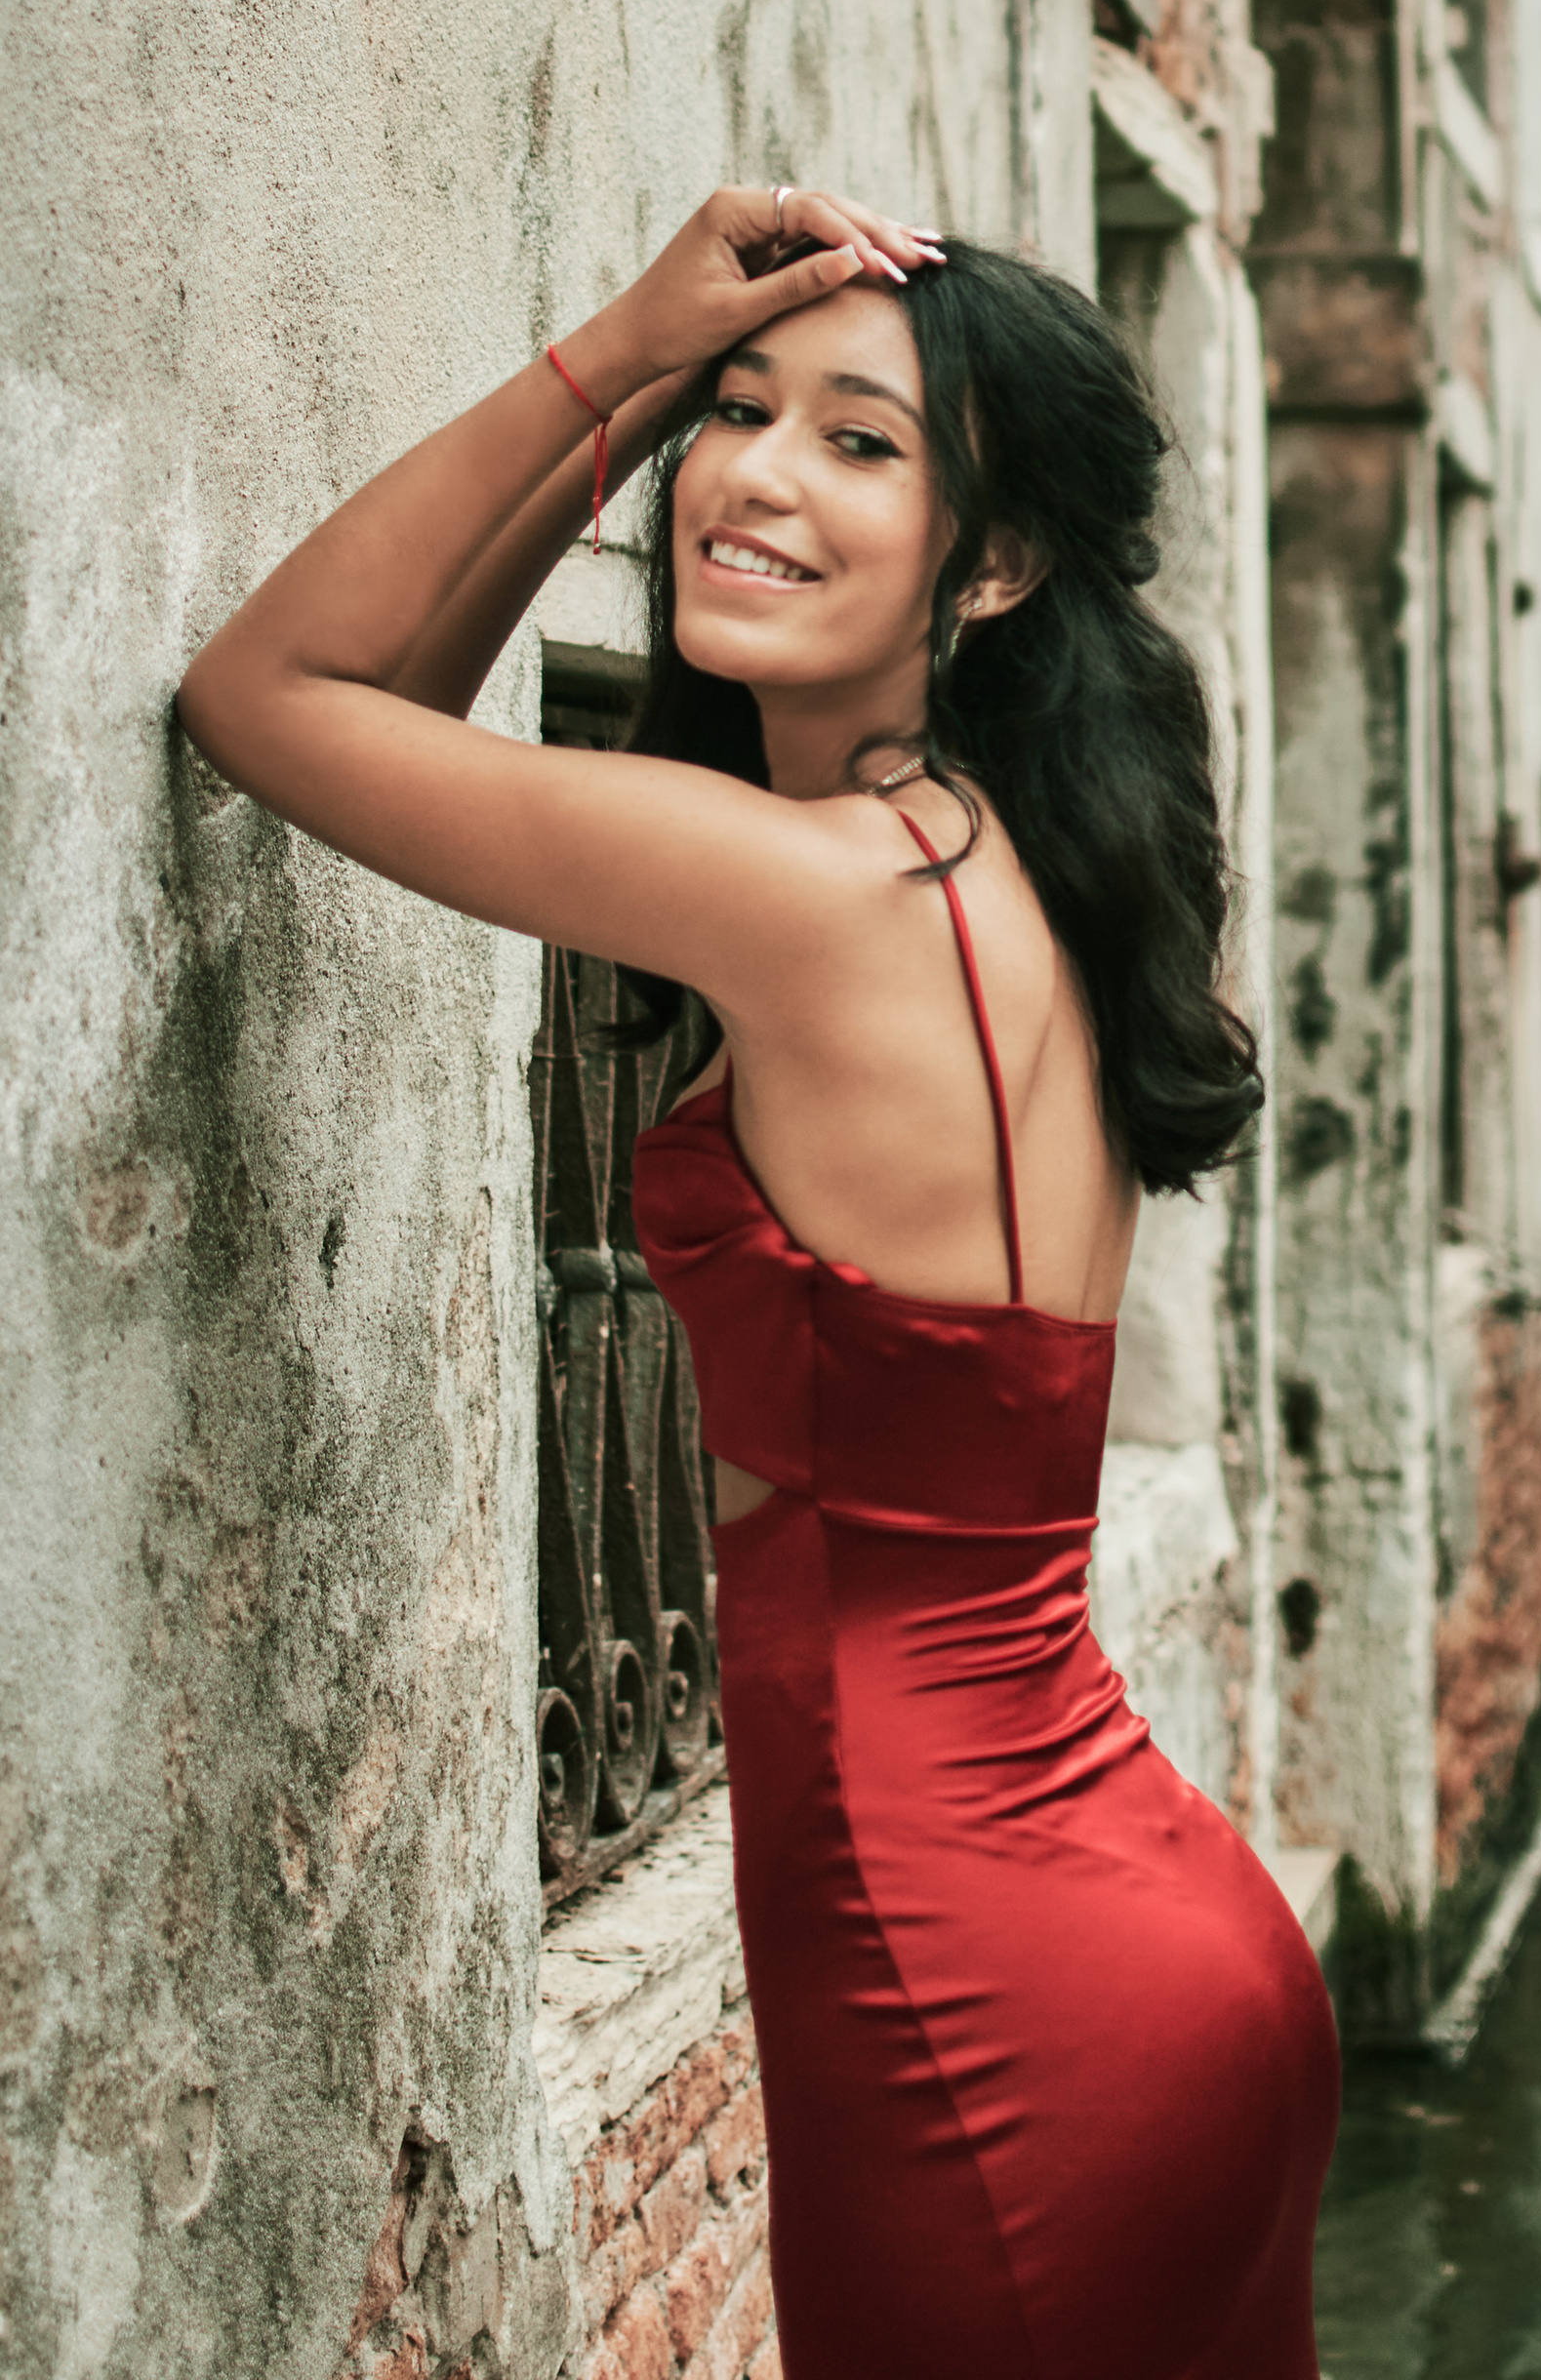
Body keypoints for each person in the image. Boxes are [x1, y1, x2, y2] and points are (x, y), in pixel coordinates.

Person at [178, 181, 1341, 2380]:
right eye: (738, 412)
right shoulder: (983, 863)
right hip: (1151, 1936)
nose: (759, 477)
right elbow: (407, 711)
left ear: (986, 570)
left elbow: (275, 693)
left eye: (861, 443)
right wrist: (649, 399)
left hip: (964, 1974)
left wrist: (617, 358)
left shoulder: (806, 892)